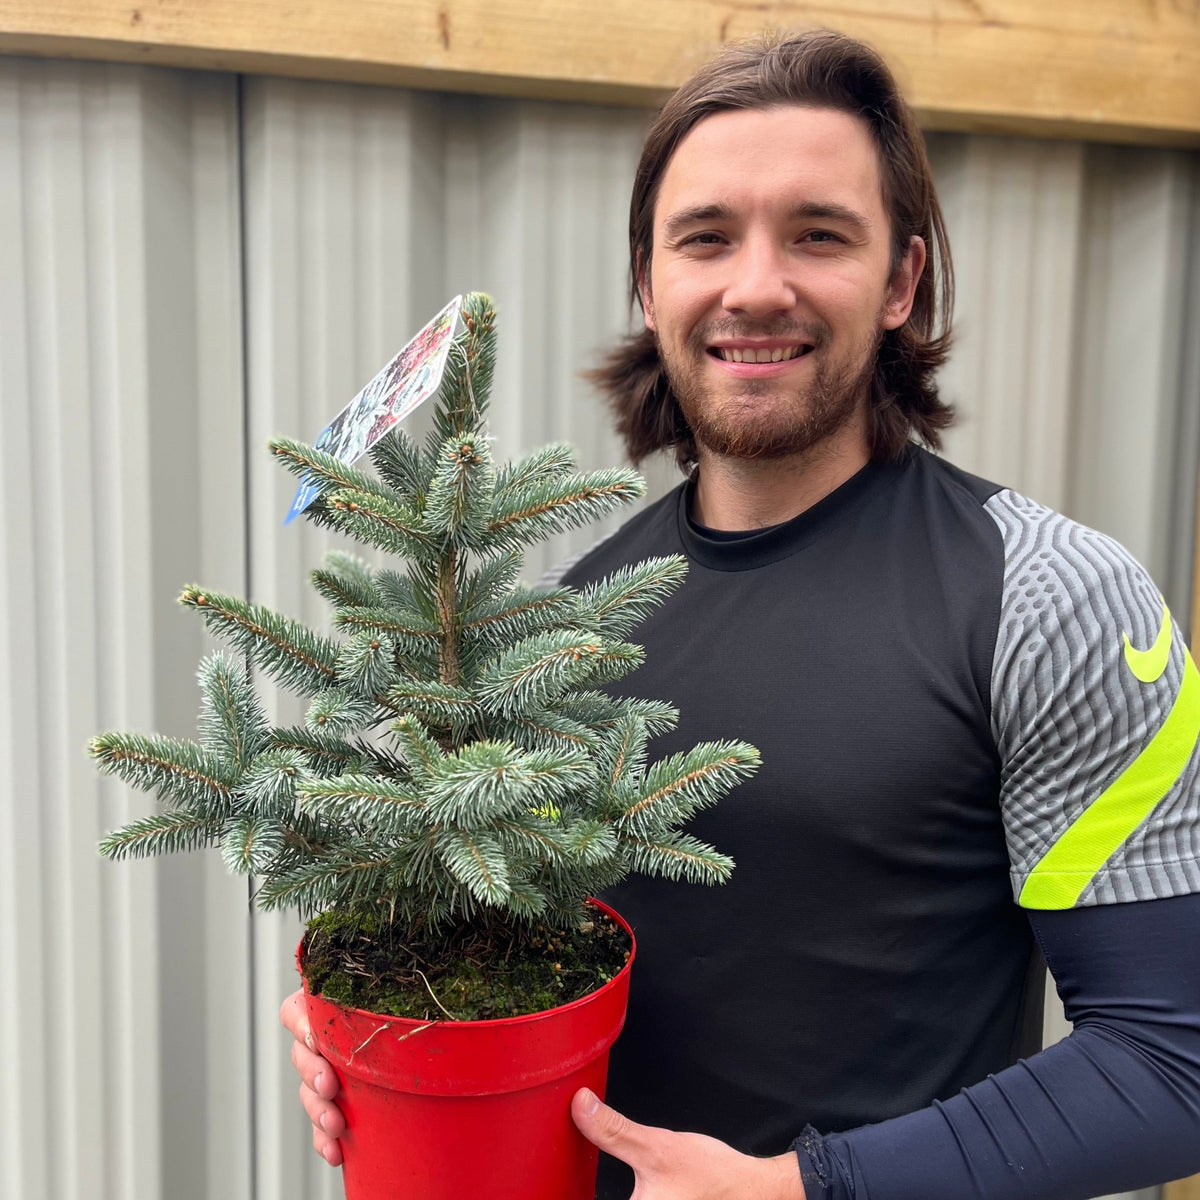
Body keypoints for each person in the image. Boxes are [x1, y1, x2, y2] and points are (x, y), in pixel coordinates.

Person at [281, 28, 1200, 1200]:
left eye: (819, 234)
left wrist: (809, 1190)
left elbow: (1174, 1066)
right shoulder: (568, 617)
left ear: (902, 281)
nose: (756, 284)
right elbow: (500, 941)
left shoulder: (1049, 596)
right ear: (651, 281)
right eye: (706, 237)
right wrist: (358, 1005)